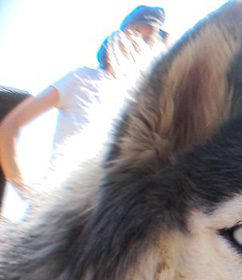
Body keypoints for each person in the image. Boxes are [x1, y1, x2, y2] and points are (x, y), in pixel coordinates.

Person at [0, 6, 166, 201]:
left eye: (148, 39)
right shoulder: (82, 79)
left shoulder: (145, 106)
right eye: (135, 34)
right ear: (118, 37)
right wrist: (25, 191)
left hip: (106, 216)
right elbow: (8, 128)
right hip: (59, 208)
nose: (139, 44)